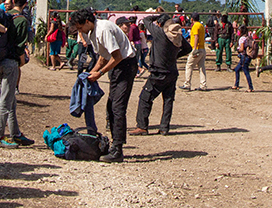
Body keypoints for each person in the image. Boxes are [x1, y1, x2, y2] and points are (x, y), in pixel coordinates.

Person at [70, 8, 138, 162]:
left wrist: (99, 74)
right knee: (111, 106)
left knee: (118, 107)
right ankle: (115, 145)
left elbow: (117, 56)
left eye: (80, 28)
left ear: (87, 22)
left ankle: (118, 150)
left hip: (125, 65)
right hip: (118, 65)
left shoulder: (103, 29)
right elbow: (102, 58)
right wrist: (88, 74)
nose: (80, 31)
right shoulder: (93, 32)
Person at [132, 14, 191, 136]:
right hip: (172, 72)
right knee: (168, 100)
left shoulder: (160, 33)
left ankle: (142, 126)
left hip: (158, 73)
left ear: (160, 24)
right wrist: (174, 57)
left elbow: (146, 20)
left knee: (145, 98)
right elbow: (188, 48)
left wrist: (156, 15)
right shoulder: (176, 36)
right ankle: (164, 127)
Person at [0, 0, 31, 147]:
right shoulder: (22, 20)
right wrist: (21, 62)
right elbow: (20, 47)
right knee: (5, 101)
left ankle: (15, 133)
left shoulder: (5, 16)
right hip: (11, 63)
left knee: (10, 99)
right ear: (26, 3)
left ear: (13, 1)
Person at [181, 13, 207, 91]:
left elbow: (196, 37)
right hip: (202, 48)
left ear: (192, 19)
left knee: (189, 65)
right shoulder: (201, 26)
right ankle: (203, 85)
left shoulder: (195, 26)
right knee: (201, 67)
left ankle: (187, 84)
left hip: (197, 48)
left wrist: (194, 48)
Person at [232, 25, 257, 91]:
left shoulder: (242, 39)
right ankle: (236, 84)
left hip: (244, 57)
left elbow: (242, 49)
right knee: (237, 69)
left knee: (246, 71)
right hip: (247, 56)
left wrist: (237, 50)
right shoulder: (248, 37)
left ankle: (250, 87)